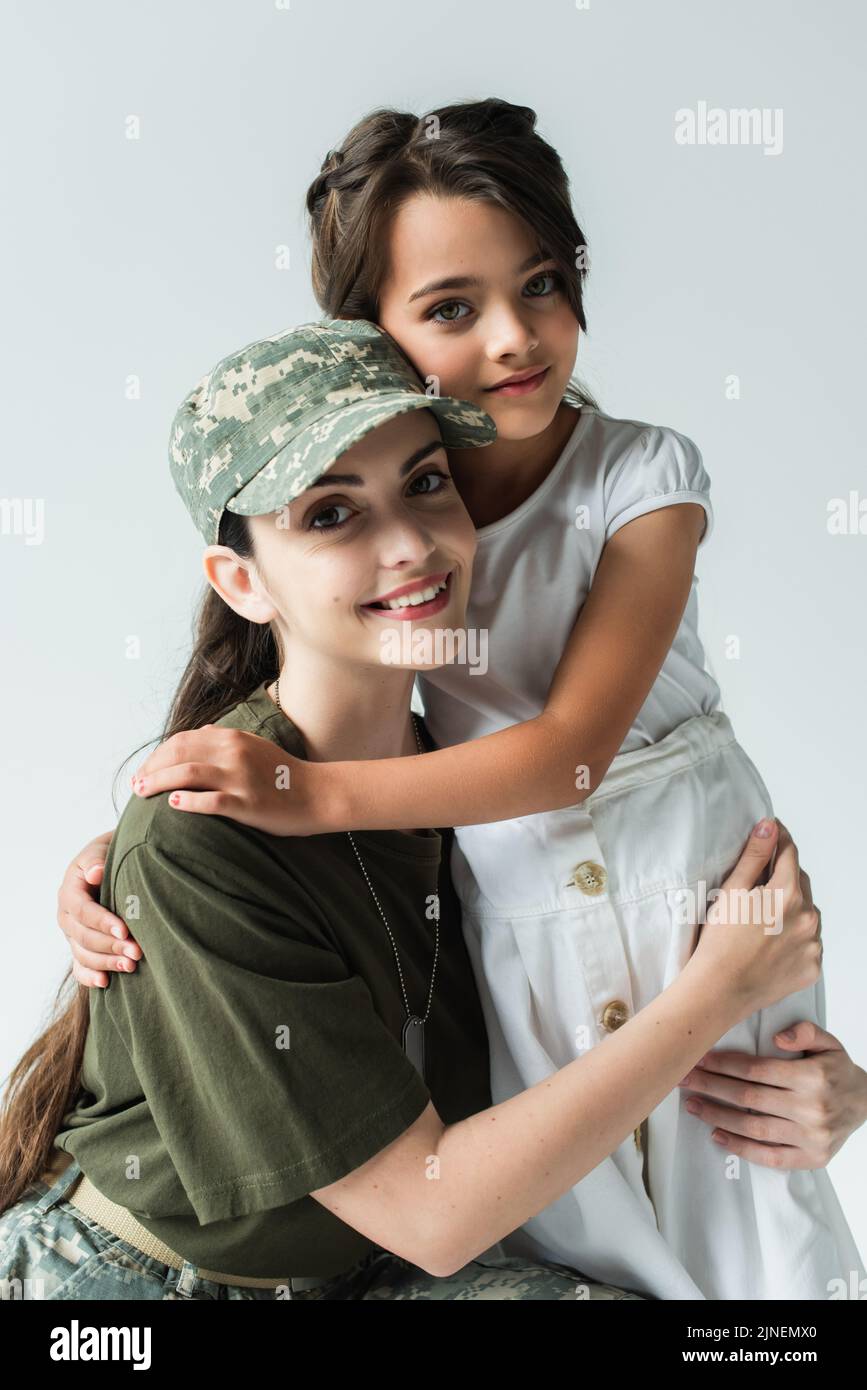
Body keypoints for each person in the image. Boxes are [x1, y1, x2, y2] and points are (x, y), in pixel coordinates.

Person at [63, 97, 866, 1299]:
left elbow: (570, 764)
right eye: (331, 512)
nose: (413, 545)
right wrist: (138, 859)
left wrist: (815, 1074)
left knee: (755, 1280)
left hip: (638, 952)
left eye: (430, 482)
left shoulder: (603, 523)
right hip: (190, 1274)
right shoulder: (274, 793)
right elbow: (440, 1212)